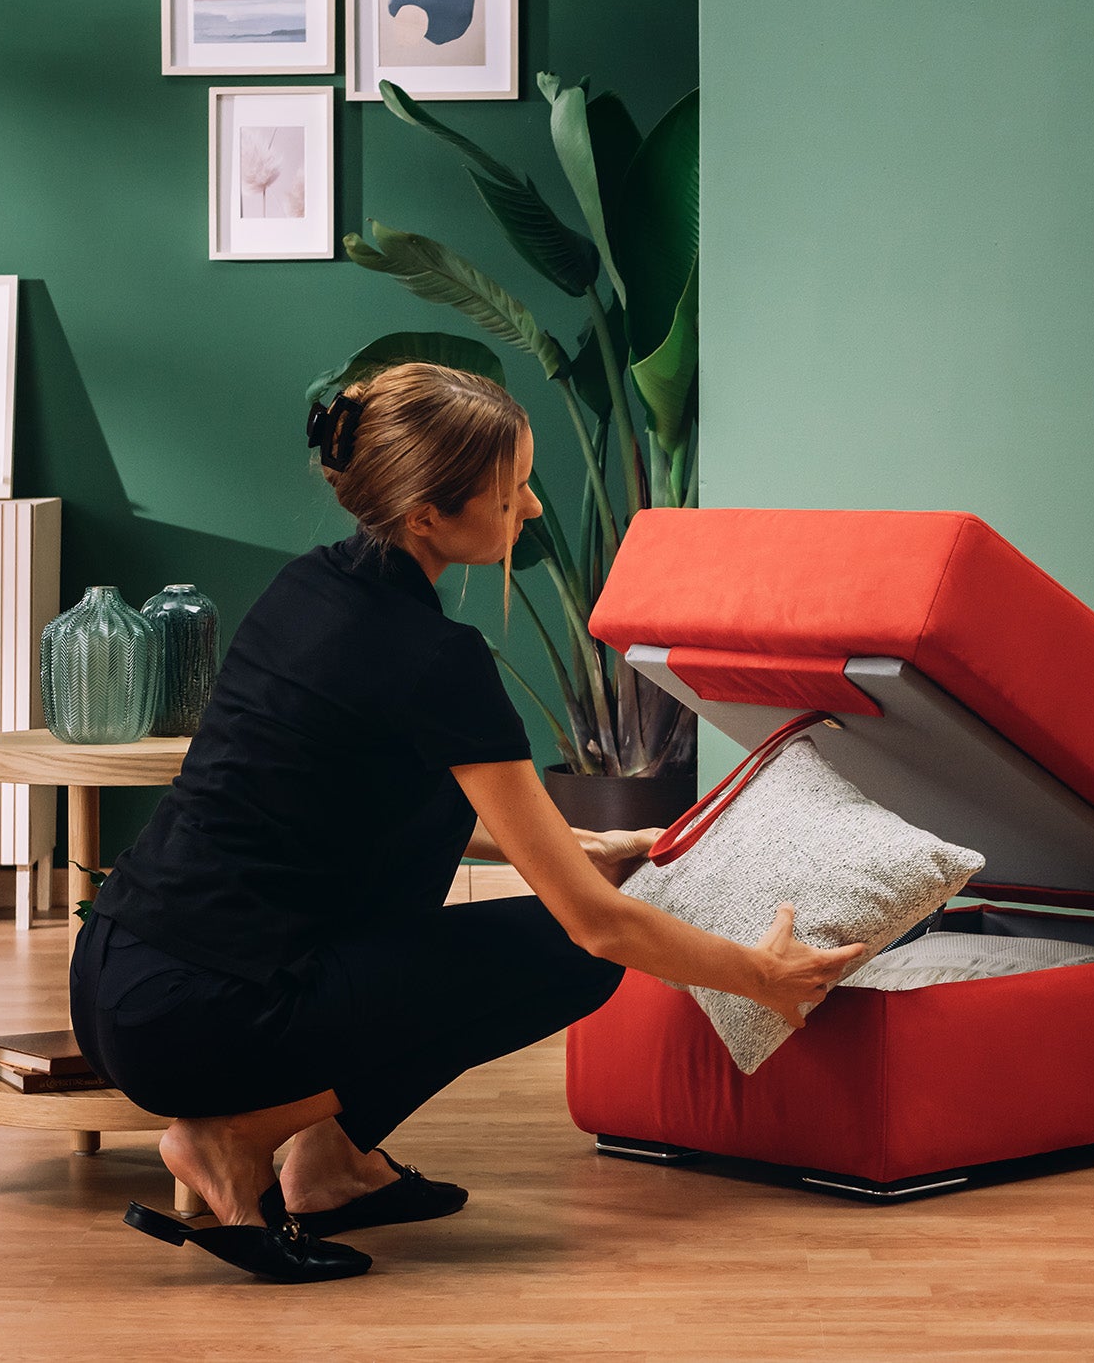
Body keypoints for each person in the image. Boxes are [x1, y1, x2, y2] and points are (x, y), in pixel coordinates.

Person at [69, 363, 865, 1284]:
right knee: (571, 956)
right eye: (510, 490)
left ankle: (331, 1165)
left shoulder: (309, 589)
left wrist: (590, 844)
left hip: (120, 974)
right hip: (205, 1017)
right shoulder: (435, 659)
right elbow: (594, 924)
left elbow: (336, 806)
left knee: (455, 931)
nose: (530, 509)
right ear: (426, 517)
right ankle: (234, 1138)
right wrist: (761, 976)